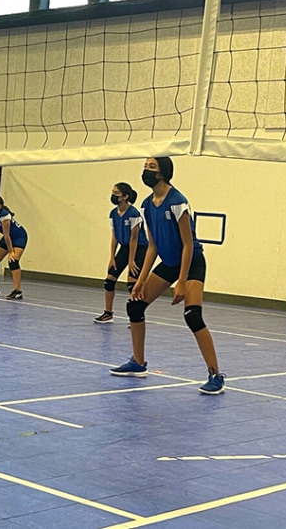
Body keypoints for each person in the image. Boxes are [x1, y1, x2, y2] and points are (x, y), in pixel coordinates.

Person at [110, 157, 225, 395]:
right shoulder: (146, 205)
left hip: (191, 262)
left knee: (193, 315)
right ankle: (138, 364)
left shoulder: (178, 202)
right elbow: (152, 246)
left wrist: (182, 282)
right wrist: (140, 281)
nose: (146, 170)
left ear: (163, 173)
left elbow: (187, 245)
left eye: (151, 167)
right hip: (169, 262)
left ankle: (215, 375)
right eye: (145, 167)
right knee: (135, 305)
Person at [94, 182, 146, 324]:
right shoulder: (113, 213)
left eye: (116, 193)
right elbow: (114, 236)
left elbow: (134, 238)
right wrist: (112, 257)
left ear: (125, 196)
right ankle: (108, 313)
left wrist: (131, 261)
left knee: (132, 284)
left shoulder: (133, 213)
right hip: (124, 247)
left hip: (139, 248)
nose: (113, 196)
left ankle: (136, 316)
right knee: (109, 280)